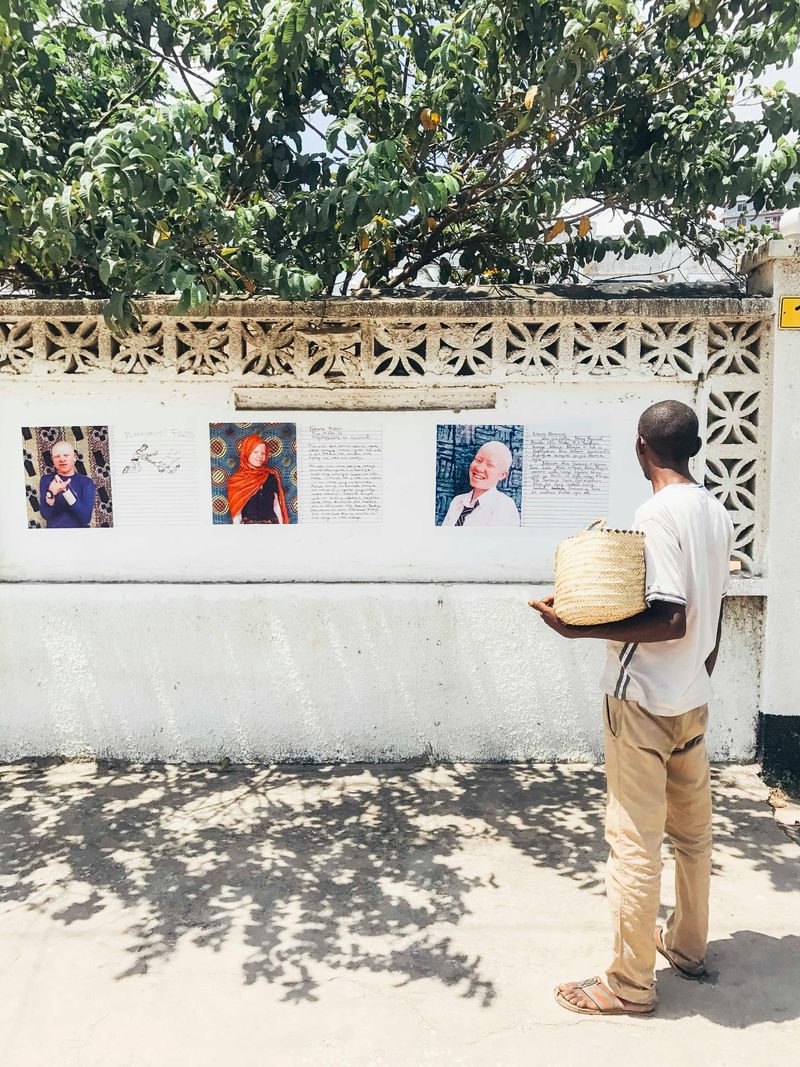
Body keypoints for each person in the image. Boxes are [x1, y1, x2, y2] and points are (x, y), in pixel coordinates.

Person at [529, 399, 733, 1017]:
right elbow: (708, 611)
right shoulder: (717, 511)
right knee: (693, 836)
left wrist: (579, 629)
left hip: (643, 700)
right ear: (693, 448)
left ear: (642, 446)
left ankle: (628, 985)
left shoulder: (655, 512)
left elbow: (670, 614)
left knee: (634, 842)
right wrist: (702, 664)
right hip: (691, 698)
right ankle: (688, 950)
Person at [441, 440, 520, 527]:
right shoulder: (457, 501)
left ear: (502, 475)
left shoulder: (504, 506)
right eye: (478, 460)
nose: (479, 468)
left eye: (489, 465)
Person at [227, 433, 289, 525]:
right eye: (255, 452)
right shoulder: (237, 480)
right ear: (246, 452)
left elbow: (276, 505)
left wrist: (282, 526)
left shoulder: (271, 476)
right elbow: (237, 514)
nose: (260, 456)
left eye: (263, 453)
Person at [38, 440, 96, 528]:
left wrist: (66, 492)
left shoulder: (86, 482)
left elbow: (86, 518)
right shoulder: (46, 480)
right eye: (57, 456)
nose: (62, 459)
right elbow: (46, 515)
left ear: (75, 457)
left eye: (66, 455)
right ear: (52, 460)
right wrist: (51, 493)